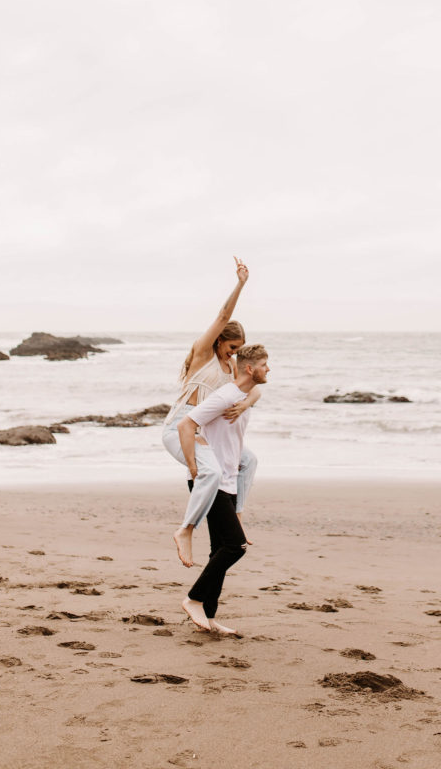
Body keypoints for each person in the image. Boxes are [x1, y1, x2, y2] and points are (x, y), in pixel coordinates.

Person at [162, 258, 259, 568]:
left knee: (248, 460)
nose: (234, 353)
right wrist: (240, 284)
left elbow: (254, 385)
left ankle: (238, 514)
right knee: (212, 473)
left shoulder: (231, 366)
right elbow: (223, 314)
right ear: (219, 340)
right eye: (231, 347)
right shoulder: (203, 353)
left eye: (238, 349)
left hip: (204, 432)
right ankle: (185, 530)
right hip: (182, 426)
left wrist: (246, 403)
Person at [178, 344, 269, 634]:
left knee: (219, 549)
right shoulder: (225, 396)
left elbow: (255, 392)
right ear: (249, 369)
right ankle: (194, 599)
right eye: (265, 364)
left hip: (228, 481)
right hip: (212, 482)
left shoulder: (241, 395)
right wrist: (194, 468)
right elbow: (186, 424)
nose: (269, 369)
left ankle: (209, 617)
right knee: (235, 546)